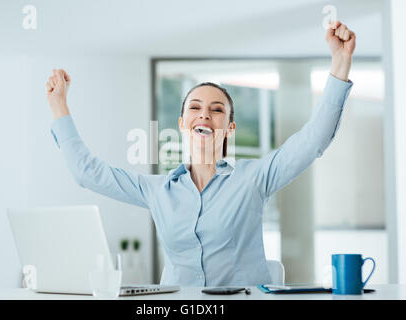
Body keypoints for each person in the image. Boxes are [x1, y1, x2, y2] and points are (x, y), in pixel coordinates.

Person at [46, 21, 355, 286]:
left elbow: (313, 140)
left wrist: (340, 63)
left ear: (230, 128)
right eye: (195, 107)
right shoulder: (157, 190)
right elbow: (87, 173)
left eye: (216, 109)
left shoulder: (254, 178)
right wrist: (59, 104)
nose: (204, 115)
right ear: (182, 123)